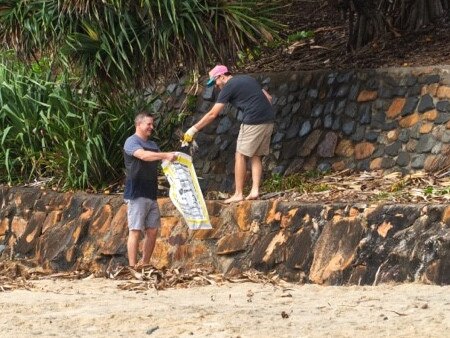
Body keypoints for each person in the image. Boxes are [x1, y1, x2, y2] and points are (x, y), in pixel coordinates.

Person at [183, 65, 275, 203]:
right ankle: (255, 190)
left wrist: (193, 129)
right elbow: (268, 97)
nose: (216, 85)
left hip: (253, 120)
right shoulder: (247, 79)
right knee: (256, 155)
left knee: (240, 155)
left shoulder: (229, 86)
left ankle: (238, 193)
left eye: (215, 81)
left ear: (222, 76)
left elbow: (213, 113)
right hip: (268, 119)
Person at [123, 111, 177, 267]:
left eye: (152, 124)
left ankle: (144, 264)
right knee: (135, 230)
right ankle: (133, 266)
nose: (151, 127)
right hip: (136, 193)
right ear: (138, 124)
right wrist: (165, 155)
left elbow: (163, 162)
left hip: (151, 194)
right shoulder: (131, 142)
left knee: (152, 231)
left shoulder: (153, 145)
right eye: (148, 124)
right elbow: (144, 156)